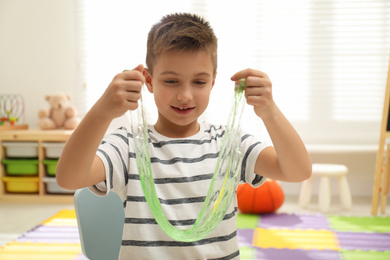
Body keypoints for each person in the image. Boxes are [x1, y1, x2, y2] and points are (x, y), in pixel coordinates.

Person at [57, 13, 311, 260]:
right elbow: (69, 178)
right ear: (149, 80)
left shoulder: (229, 144)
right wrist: (102, 112)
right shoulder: (128, 145)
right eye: (171, 81)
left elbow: (297, 171)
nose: (185, 95)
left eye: (199, 82)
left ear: (212, 82)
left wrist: (270, 112)